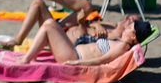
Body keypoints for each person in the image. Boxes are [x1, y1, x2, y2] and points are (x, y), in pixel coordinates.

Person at [7, 0, 135, 48]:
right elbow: (93, 23)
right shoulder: (113, 25)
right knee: (38, 3)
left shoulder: (119, 36)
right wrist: (97, 25)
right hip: (64, 29)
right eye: (129, 17)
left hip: (61, 39)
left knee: (86, 5)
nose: (128, 18)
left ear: (132, 30)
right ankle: (19, 39)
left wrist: (90, 26)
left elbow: (91, 41)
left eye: (132, 21)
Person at [19, 16, 151, 66]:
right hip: (73, 51)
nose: (126, 27)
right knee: (50, 23)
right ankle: (31, 56)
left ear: (133, 36)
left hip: (73, 56)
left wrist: (77, 63)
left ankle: (26, 59)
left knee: (49, 25)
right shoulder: (120, 42)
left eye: (130, 27)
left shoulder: (123, 47)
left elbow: (102, 60)